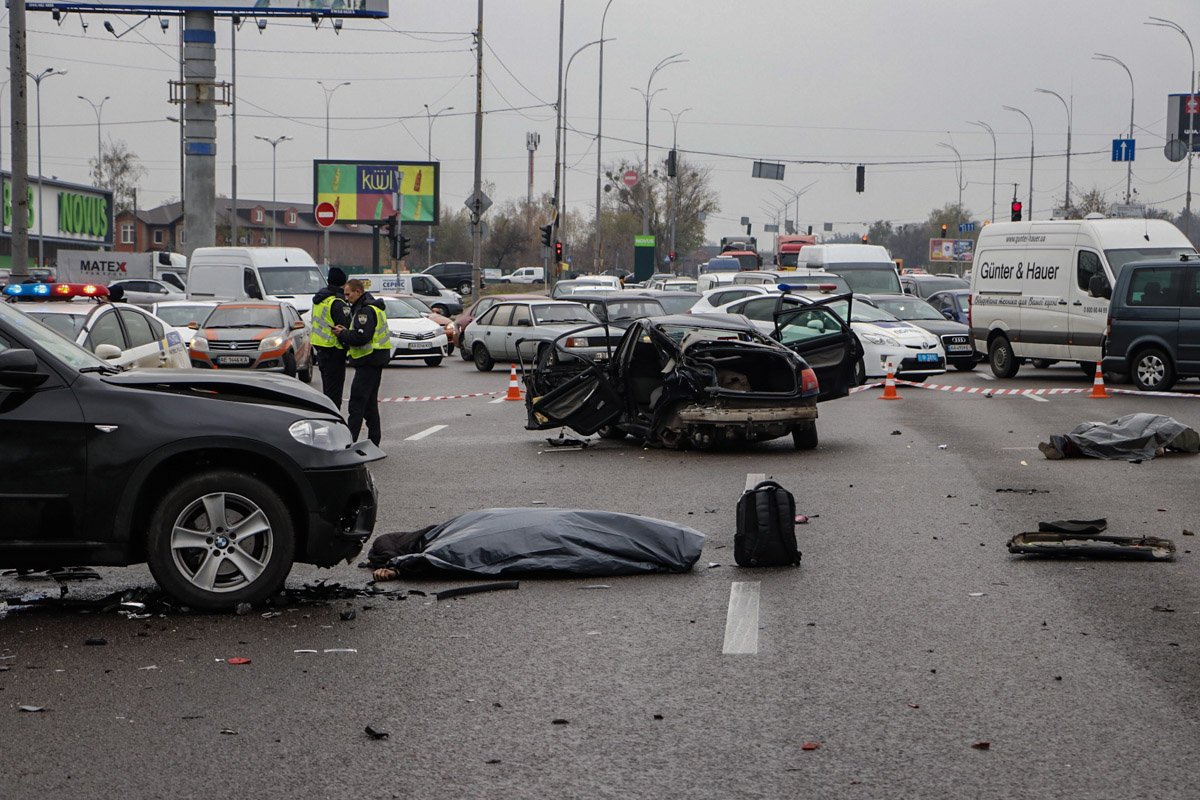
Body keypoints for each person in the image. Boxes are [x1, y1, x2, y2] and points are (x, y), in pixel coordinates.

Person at [336, 278, 390, 446]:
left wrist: (343, 335)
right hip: (373, 361)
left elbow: (362, 337)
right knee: (369, 406)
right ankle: (374, 442)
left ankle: (349, 443)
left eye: (348, 294)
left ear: (358, 292)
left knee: (357, 404)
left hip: (368, 361)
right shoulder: (370, 307)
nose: (346, 298)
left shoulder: (364, 311)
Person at [310, 267, 352, 408]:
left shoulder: (320, 299)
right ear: (343, 283)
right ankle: (334, 425)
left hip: (321, 349)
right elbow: (344, 329)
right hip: (334, 350)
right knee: (334, 395)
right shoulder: (337, 302)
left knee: (327, 392)